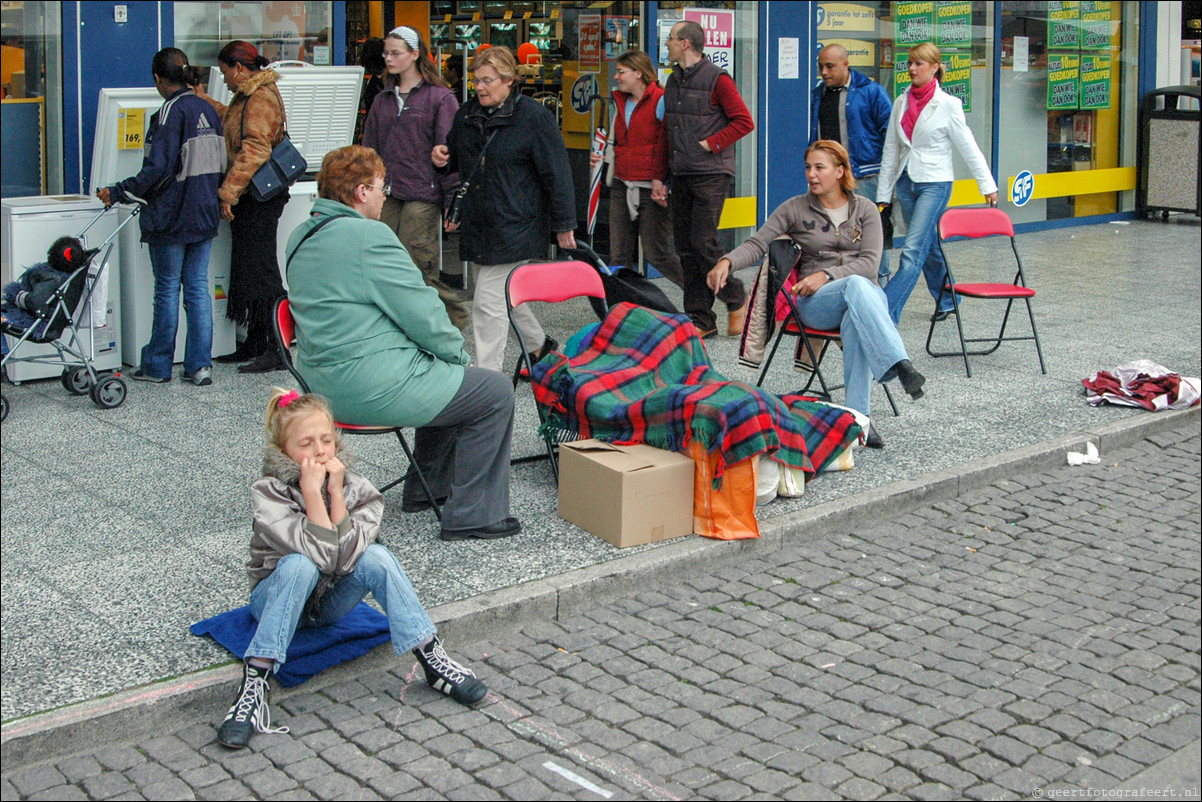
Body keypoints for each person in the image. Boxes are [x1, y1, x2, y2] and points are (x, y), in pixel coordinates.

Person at [216, 388, 488, 750]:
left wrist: (337, 495)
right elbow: (317, 558)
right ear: (283, 452)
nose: (319, 451)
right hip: (277, 600)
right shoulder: (269, 493)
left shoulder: (357, 488)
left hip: (328, 602)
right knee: (298, 565)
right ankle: (255, 684)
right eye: (306, 443)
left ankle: (431, 656)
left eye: (326, 440)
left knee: (376, 556)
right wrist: (313, 494)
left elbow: (343, 561)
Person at [286, 145, 520, 542]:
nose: (385, 196)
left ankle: (424, 489)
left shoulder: (301, 234)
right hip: (367, 386)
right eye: (382, 187)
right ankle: (472, 514)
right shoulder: (369, 236)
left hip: (317, 387)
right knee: (492, 390)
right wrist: (459, 357)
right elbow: (424, 313)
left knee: (446, 376)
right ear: (361, 192)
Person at [707, 141, 926, 449]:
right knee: (856, 287)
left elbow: (870, 263)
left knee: (857, 312)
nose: (811, 174)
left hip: (862, 300)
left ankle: (857, 421)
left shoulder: (865, 210)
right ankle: (898, 363)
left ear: (840, 171)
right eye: (808, 167)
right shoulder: (795, 208)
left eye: (819, 167)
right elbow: (758, 244)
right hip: (816, 304)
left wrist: (826, 274)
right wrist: (727, 261)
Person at [432, 46, 576, 372]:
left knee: (486, 303)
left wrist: (564, 223)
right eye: (476, 80)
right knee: (505, 296)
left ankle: (488, 379)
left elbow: (558, 172)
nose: (479, 87)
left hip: (517, 223)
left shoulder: (534, 118)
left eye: (487, 80)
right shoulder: (466, 114)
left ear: (509, 80)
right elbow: (456, 158)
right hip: (479, 222)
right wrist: (442, 158)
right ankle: (541, 349)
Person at [99, 48, 224, 386]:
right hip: (203, 213)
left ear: (157, 78)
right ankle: (200, 366)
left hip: (172, 215)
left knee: (168, 288)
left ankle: (157, 365)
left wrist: (120, 190)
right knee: (197, 288)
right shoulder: (207, 110)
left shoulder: (170, 112)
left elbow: (157, 169)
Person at [877, 42, 998, 324]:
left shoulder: (948, 105)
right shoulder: (900, 102)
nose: (911, 68)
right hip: (906, 183)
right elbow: (891, 151)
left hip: (936, 183)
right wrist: (883, 194)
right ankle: (948, 298)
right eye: (909, 63)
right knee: (927, 245)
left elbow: (968, 146)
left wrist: (987, 185)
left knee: (912, 250)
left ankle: (885, 311)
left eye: (918, 63)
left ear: (934, 68)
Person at [362, 26, 468, 330]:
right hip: (388, 190)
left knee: (416, 264)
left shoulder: (439, 97)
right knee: (383, 261)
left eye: (396, 52)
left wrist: (452, 201)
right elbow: (369, 148)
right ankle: (400, 324)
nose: (389, 58)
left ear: (415, 54)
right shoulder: (383, 98)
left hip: (424, 189)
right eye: (386, 53)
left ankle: (453, 318)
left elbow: (450, 153)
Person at [197, 40, 290, 374]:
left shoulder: (260, 96)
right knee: (249, 268)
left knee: (262, 270)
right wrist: (202, 99)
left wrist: (228, 193)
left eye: (224, 73)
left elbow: (255, 147)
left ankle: (278, 348)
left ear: (239, 68)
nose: (223, 80)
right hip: (252, 195)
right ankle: (255, 341)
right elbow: (231, 124)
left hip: (260, 197)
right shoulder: (247, 96)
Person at [663, 19, 754, 339]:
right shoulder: (673, 81)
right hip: (681, 173)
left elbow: (744, 122)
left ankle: (735, 295)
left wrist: (711, 143)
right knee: (686, 248)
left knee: (703, 241)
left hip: (711, 173)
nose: (667, 44)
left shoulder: (717, 79)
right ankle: (701, 319)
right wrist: (662, 176)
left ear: (686, 43)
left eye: (671, 39)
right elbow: (668, 132)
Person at [590, 50, 683, 287]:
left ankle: (698, 292)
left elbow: (670, 144)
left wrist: (663, 180)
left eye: (621, 72)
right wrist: (601, 158)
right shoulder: (620, 102)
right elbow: (619, 142)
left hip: (652, 187)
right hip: (623, 182)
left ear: (638, 73)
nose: (616, 77)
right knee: (618, 254)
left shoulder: (661, 100)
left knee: (656, 254)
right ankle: (621, 306)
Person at [809, 44, 894, 285]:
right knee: (834, 235)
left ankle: (881, 291)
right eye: (820, 66)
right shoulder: (818, 94)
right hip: (830, 180)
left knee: (872, 236)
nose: (824, 72)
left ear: (846, 65)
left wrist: (887, 176)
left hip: (865, 176)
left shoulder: (871, 92)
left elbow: (891, 135)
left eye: (830, 66)